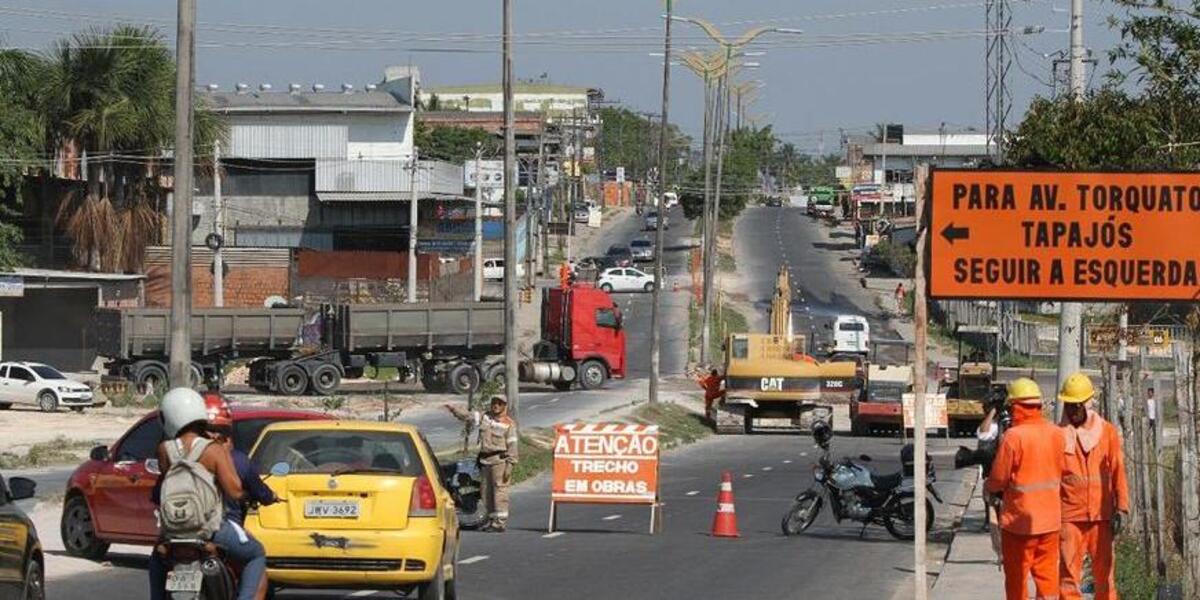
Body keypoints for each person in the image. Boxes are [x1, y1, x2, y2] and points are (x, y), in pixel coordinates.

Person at [149, 387, 268, 600]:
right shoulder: (214, 450)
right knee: (255, 555)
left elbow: (166, 485)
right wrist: (247, 496)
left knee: (157, 560)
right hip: (211, 529)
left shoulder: (164, 450)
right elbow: (234, 490)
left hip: (174, 530)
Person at [985, 378, 1066, 600]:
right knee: (1048, 578)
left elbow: (999, 479)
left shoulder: (1014, 437)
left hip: (1019, 523)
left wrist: (988, 487)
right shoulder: (1057, 433)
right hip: (1050, 522)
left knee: (1017, 579)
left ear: (1016, 406)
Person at [1058, 372, 1129, 600]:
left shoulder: (1106, 432)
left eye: (1076, 406)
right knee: (1069, 579)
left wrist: (1122, 507)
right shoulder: (1058, 436)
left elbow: (1118, 468)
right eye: (1069, 405)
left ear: (1087, 404)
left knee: (1105, 578)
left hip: (1101, 516)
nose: (1072, 411)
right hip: (1070, 518)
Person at [202, 392, 279, 525]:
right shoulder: (237, 460)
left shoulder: (179, 454)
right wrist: (269, 496)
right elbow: (259, 492)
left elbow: (157, 495)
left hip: (182, 529)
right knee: (255, 547)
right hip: (223, 525)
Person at [445, 395, 519, 532]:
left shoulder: (508, 424)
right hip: (485, 461)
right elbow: (468, 416)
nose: (496, 406)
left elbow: (512, 445)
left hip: (500, 461)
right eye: (494, 403)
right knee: (486, 492)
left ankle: (500, 522)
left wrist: (510, 465)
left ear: (504, 406)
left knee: (499, 492)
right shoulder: (485, 417)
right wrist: (453, 409)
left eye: (499, 403)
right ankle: (491, 520)